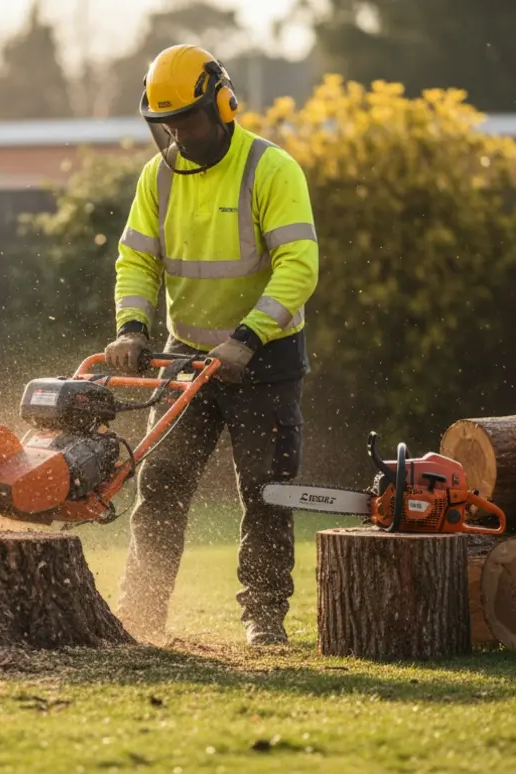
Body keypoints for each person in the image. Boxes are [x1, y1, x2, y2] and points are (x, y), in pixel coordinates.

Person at [104, 44, 319, 646]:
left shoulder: (270, 169)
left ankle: (264, 616)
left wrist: (248, 338)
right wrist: (131, 331)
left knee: (266, 491)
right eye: (165, 123)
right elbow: (136, 262)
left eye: (189, 119)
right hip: (183, 354)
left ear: (223, 104)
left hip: (265, 358)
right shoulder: (159, 177)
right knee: (161, 487)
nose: (178, 133)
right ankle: (141, 612)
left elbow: (299, 266)